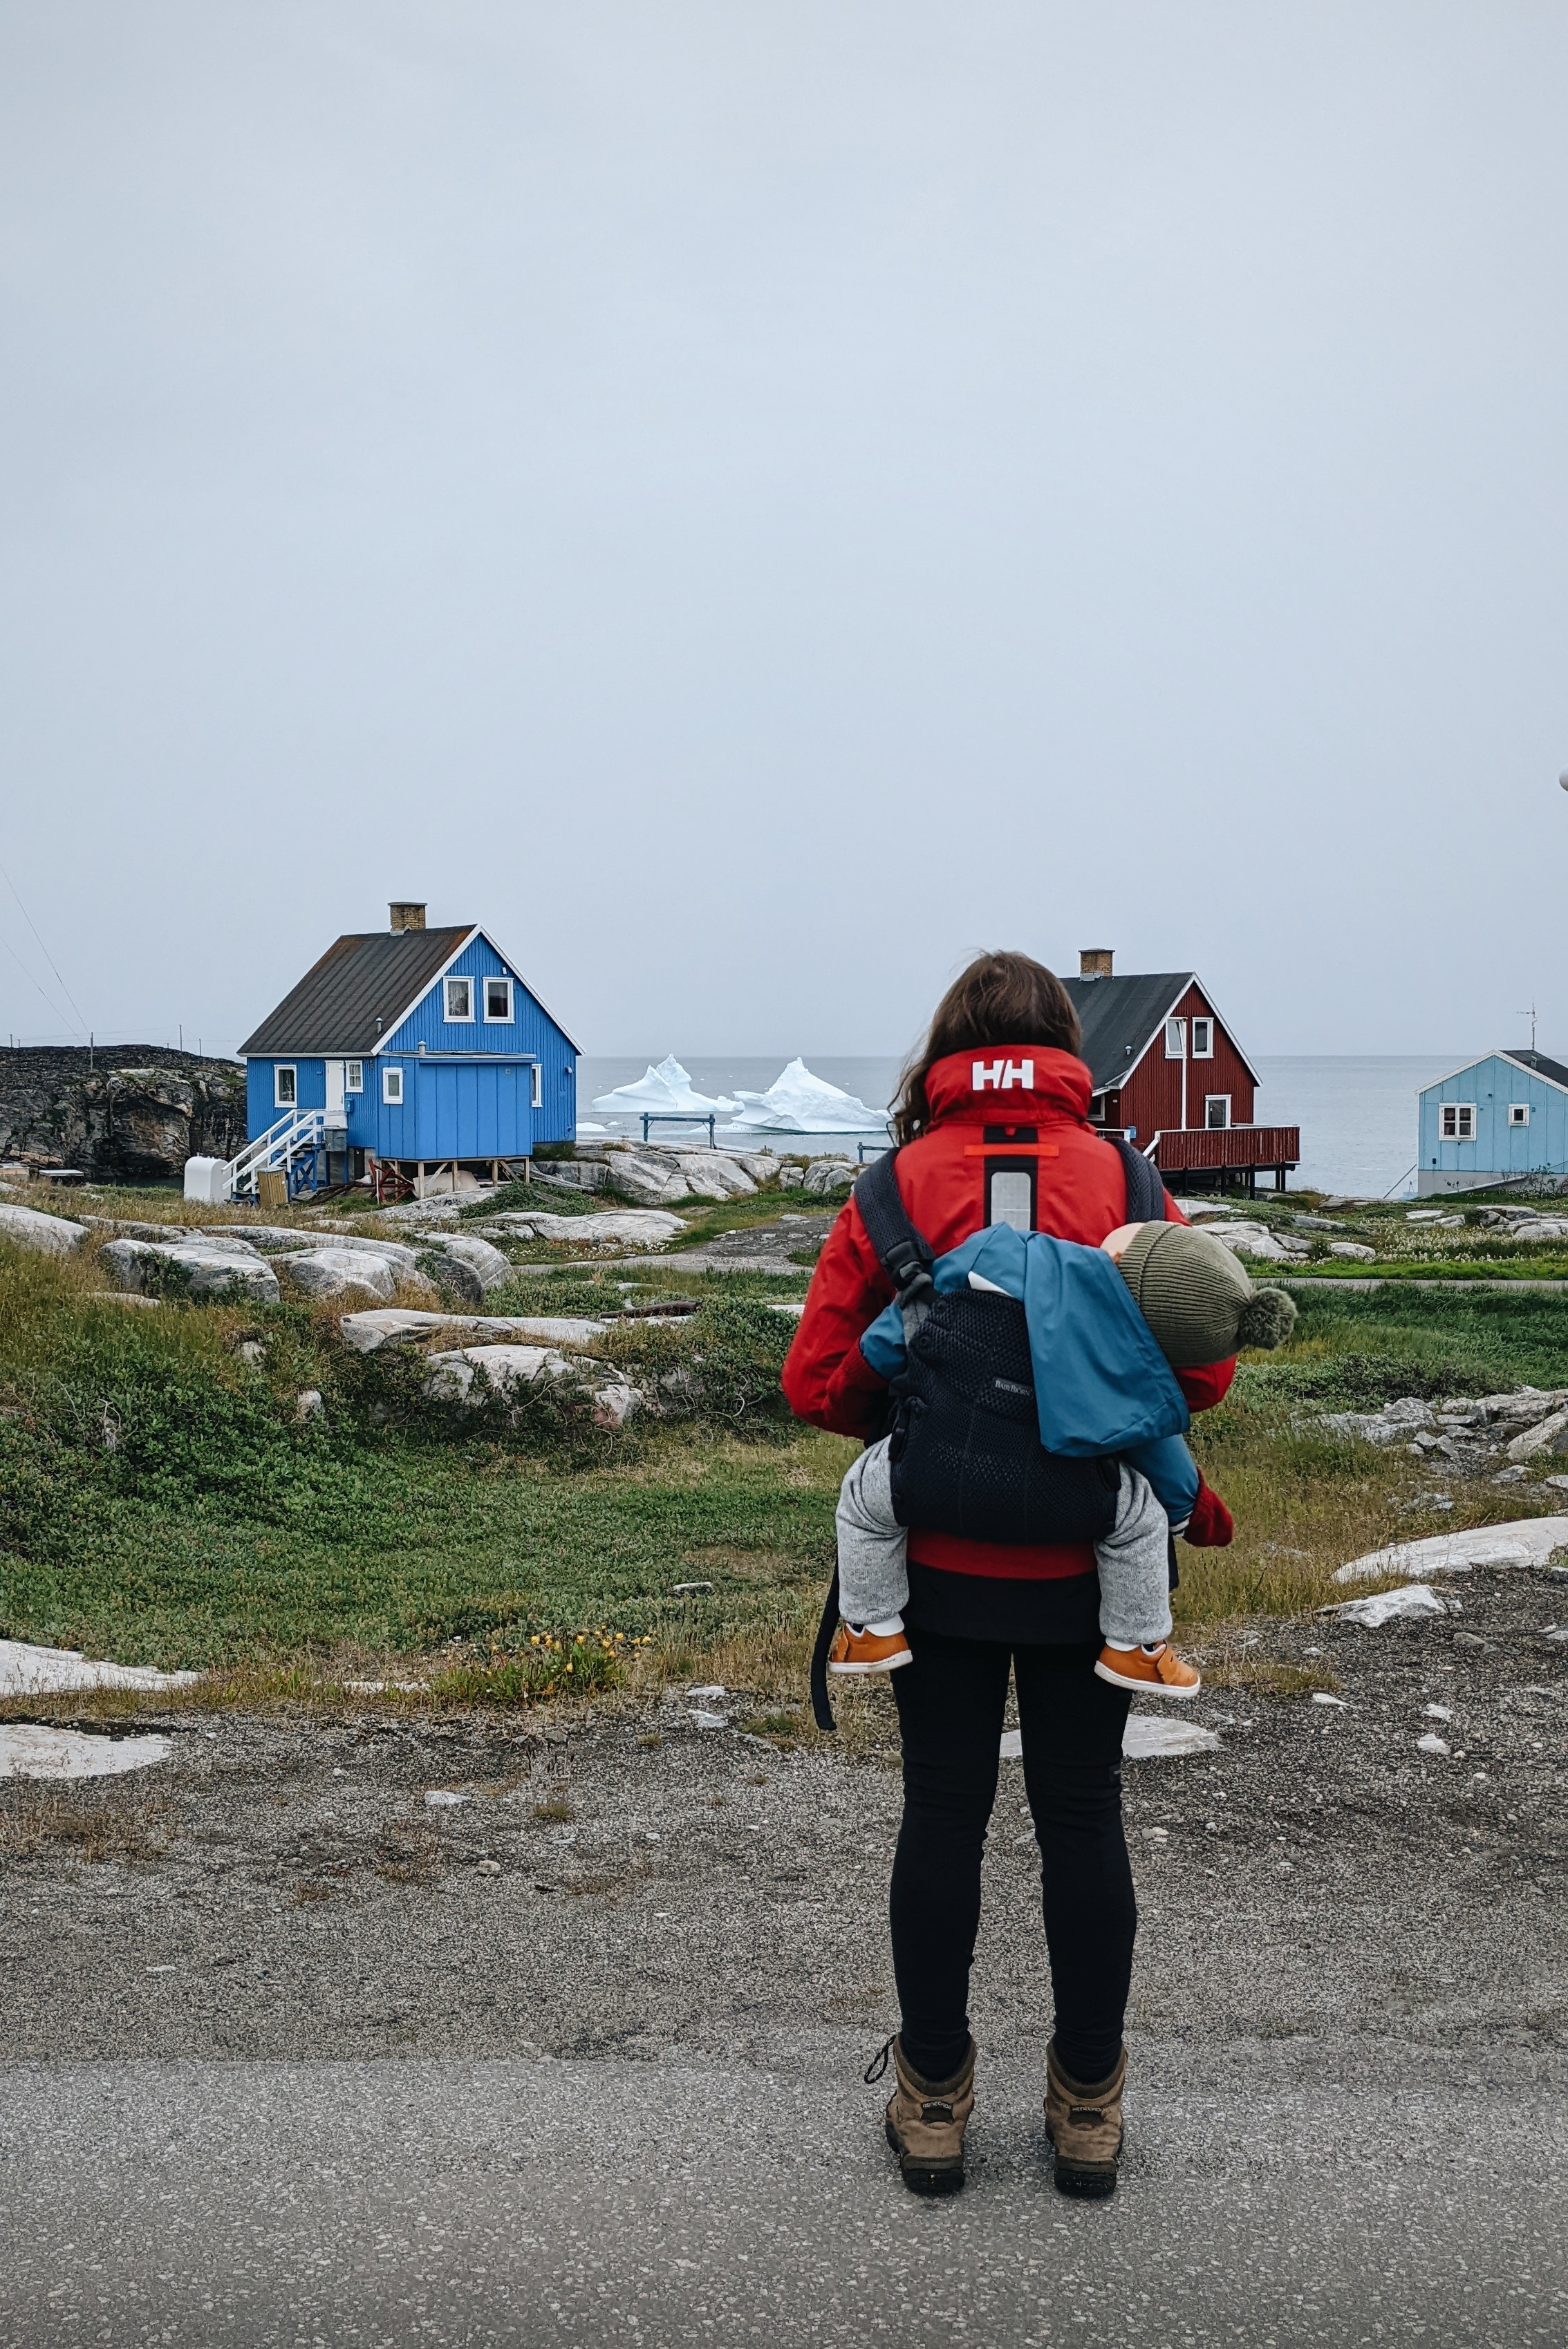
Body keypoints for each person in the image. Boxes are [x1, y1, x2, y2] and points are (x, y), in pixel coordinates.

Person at [781, 951, 1244, 2200]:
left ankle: (932, 2099)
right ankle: (1086, 2106)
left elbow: (815, 1380)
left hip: (929, 1564)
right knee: (1081, 1816)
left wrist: (937, 1416)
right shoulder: (1126, 1177)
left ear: (945, 1049)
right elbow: (1199, 1373)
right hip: (1091, 1567)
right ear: (1063, 1049)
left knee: (940, 1816)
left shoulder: (896, 1182)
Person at [828, 1217, 1294, 1697]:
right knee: (1140, 1521)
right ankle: (1137, 1648)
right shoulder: (1130, 1363)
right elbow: (1157, 1451)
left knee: (864, 1500)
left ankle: (871, 1631)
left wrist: (851, 1383)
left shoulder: (998, 1250)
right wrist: (1195, 1513)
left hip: (937, 1465)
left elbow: (901, 1321)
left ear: (1119, 1258)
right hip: (1067, 1495)